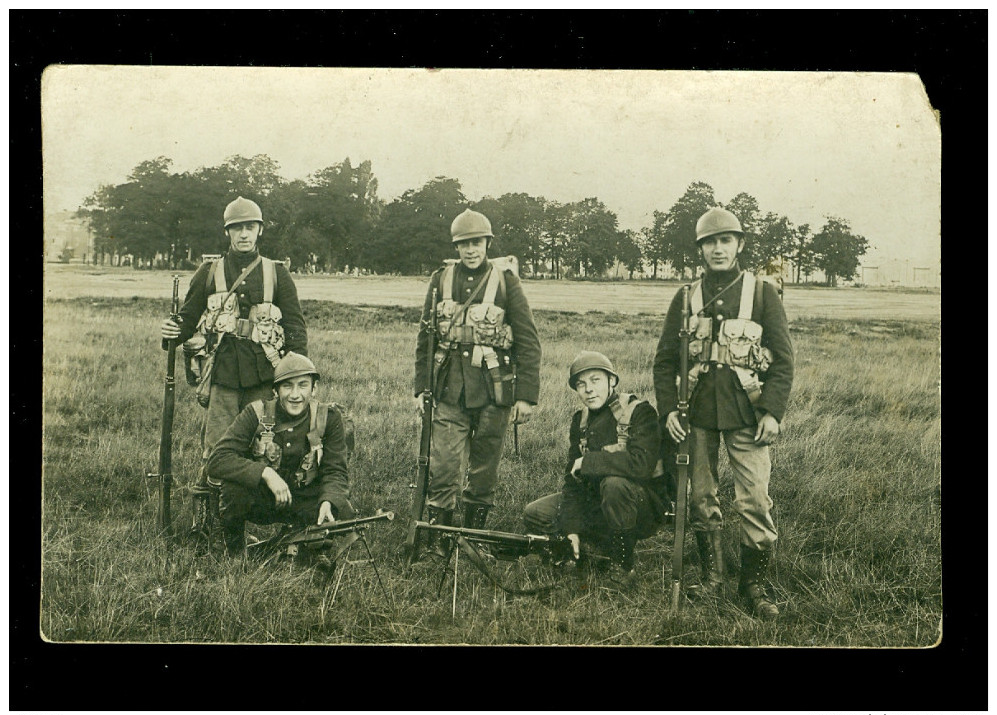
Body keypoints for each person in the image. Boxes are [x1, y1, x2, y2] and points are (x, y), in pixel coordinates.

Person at [653, 207, 794, 620]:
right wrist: (668, 411)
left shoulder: (763, 293)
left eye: (725, 240)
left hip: (748, 414)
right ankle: (713, 576)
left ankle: (754, 584)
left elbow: (783, 360)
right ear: (700, 249)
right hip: (695, 414)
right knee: (700, 497)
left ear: (740, 245)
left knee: (754, 500)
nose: (717, 249)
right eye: (709, 242)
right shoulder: (685, 297)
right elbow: (665, 362)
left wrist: (772, 411)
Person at [414, 208, 542, 539]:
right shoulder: (439, 280)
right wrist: (420, 387)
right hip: (449, 390)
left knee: (484, 470)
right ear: (456, 247)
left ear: (488, 244)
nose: (471, 250)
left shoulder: (506, 281)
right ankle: (438, 539)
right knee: (443, 467)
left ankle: (472, 536)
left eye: (477, 243)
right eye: (464, 244)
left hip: (493, 390)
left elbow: (528, 340)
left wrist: (526, 396)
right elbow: (426, 339)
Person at [160, 196, 308, 472]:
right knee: (219, 445)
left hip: (264, 373)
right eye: (237, 228)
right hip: (223, 373)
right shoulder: (208, 271)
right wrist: (172, 332)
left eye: (249, 227)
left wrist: (297, 375)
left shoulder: (276, 273)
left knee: (265, 443)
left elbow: (295, 327)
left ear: (259, 230)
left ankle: (260, 507)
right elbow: (188, 319)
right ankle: (213, 508)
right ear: (227, 231)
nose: (243, 234)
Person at [522, 351, 668, 586]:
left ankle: (623, 566)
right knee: (536, 512)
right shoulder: (580, 421)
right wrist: (570, 528)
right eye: (581, 384)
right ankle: (584, 551)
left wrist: (588, 462)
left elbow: (641, 465)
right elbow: (572, 483)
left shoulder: (639, 412)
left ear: (612, 381)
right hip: (597, 504)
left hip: (642, 508)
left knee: (614, 485)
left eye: (595, 380)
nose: (588, 389)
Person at [206, 352, 355, 556]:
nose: (295, 395)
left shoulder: (328, 417)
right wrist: (266, 473)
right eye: (287, 386)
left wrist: (328, 500)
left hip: (304, 497)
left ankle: (293, 539)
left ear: (314, 388)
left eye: (303, 385)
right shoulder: (256, 413)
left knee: (341, 508)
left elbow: (336, 470)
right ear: (276, 391)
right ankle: (234, 550)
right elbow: (217, 460)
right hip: (265, 498)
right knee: (234, 489)